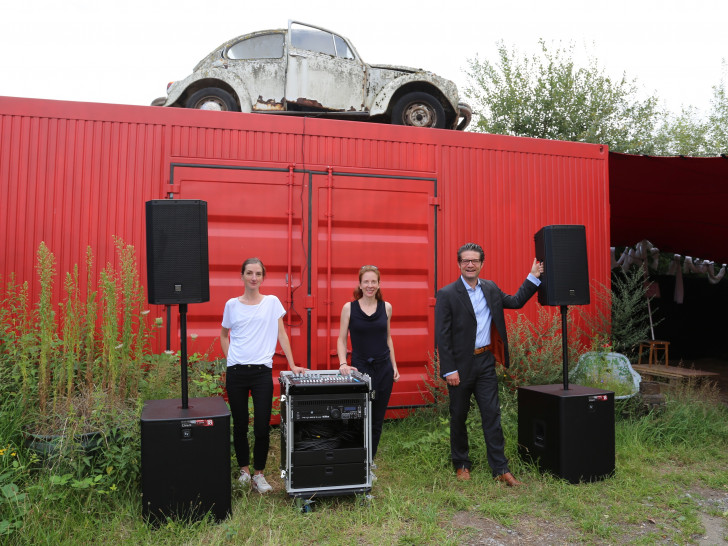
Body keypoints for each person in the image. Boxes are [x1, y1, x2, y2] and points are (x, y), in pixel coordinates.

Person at [435, 243, 543, 486]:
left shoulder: (491, 288)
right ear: (459, 264)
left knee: (492, 415)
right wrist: (449, 369)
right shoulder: (447, 294)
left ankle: (500, 468)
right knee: (458, 416)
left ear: (482, 264)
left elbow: (515, 301)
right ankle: (461, 464)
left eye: (474, 261)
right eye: (465, 261)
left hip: (485, 362)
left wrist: (533, 277)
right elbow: (442, 335)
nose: (470, 264)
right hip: (460, 366)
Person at [220, 257, 306, 494]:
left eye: (258, 274)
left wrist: (292, 364)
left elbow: (282, 334)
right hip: (236, 372)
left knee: (261, 426)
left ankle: (259, 474)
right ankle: (244, 471)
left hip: (261, 373)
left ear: (263, 277)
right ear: (242, 276)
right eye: (249, 273)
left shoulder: (272, 303)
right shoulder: (231, 305)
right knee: (239, 424)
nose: (253, 278)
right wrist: (230, 360)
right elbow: (224, 335)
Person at [337, 265, 400, 465]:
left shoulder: (386, 307)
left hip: (383, 368)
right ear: (360, 284)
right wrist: (342, 363)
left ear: (379, 284)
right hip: (359, 369)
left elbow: (388, 338)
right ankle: (355, 458)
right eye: (366, 282)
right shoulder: (349, 308)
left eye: (374, 282)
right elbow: (341, 340)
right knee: (357, 416)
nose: (370, 285)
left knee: (377, 419)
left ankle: (369, 461)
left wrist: (394, 365)